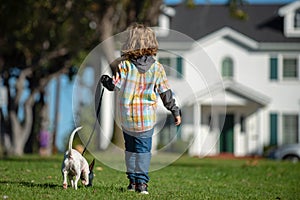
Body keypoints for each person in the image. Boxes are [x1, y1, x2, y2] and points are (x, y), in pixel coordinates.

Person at [101, 23, 181, 194]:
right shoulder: (157, 68)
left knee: (130, 150)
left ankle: (132, 182)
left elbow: (114, 86)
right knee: (143, 151)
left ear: (130, 43)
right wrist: (174, 110)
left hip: (127, 117)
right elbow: (165, 93)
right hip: (145, 119)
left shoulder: (124, 66)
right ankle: (141, 184)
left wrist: (106, 81)